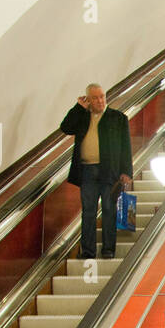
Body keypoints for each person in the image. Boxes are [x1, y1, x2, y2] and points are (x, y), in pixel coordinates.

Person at [61, 83, 133, 260]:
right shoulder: (82, 117)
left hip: (110, 171)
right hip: (87, 171)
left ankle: (108, 250)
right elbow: (66, 127)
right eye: (95, 98)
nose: (100, 100)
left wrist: (126, 172)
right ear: (88, 100)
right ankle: (88, 252)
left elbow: (126, 147)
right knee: (88, 212)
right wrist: (78, 108)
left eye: (102, 96)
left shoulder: (118, 118)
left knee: (109, 210)